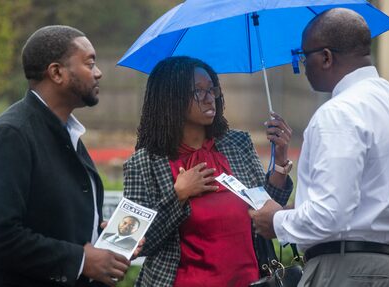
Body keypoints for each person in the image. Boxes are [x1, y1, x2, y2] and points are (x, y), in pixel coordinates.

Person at [250, 8, 389, 287]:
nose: (302, 65)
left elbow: (330, 216)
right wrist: (296, 209)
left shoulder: (339, 112)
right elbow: (367, 200)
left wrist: (276, 221)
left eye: (303, 56)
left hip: (349, 270)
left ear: (326, 57)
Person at [123, 56, 294, 287]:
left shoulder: (237, 144)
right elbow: (136, 243)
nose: (209, 98)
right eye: (198, 91)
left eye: (212, 89)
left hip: (250, 280)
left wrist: (280, 162)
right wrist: (178, 196)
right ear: (172, 98)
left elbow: (267, 211)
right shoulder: (144, 164)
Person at [0, 25, 133, 287]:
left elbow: (53, 219)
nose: (99, 73)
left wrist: (107, 240)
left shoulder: (68, 133)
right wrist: (80, 261)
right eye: (90, 63)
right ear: (56, 72)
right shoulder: (11, 134)